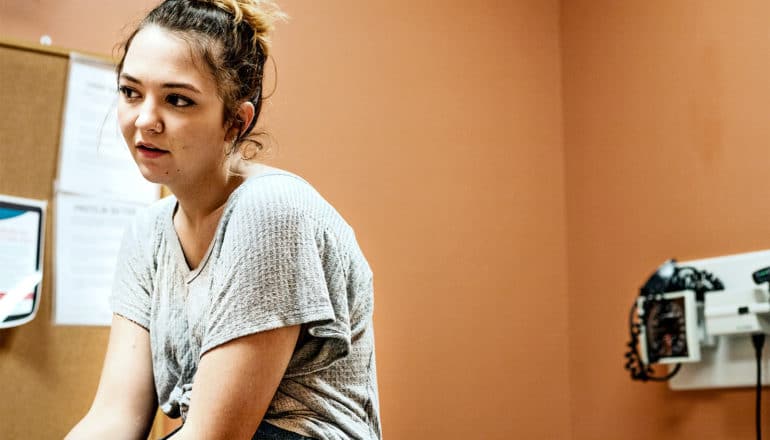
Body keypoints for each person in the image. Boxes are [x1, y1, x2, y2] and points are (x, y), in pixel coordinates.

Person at [65, 1, 381, 439]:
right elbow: (114, 416)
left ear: (236, 121)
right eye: (130, 92)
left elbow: (216, 436)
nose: (145, 119)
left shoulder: (270, 210)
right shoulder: (147, 234)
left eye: (178, 100)